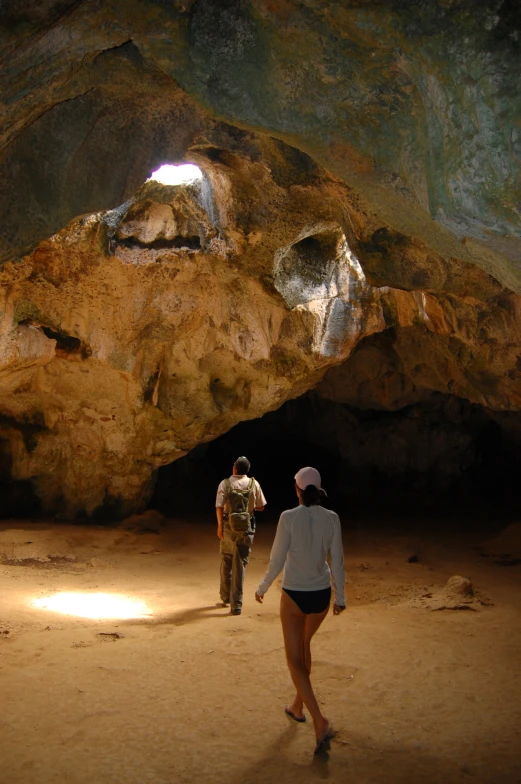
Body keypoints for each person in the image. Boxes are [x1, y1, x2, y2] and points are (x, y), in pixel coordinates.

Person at [255, 466, 345, 755]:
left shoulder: (288, 518)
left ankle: (319, 719)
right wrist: (340, 597)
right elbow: (338, 560)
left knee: (294, 660)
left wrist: (262, 586)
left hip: (294, 595)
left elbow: (278, 558)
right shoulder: (331, 518)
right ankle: (297, 705)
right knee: (305, 645)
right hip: (320, 595)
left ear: (297, 489)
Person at [216, 456, 266, 615]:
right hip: (246, 528)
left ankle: (225, 596)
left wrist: (219, 527)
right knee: (240, 563)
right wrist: (248, 510)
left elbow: (219, 506)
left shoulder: (225, 483)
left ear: (234, 468)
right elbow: (261, 507)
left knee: (226, 560)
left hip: (228, 526)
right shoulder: (254, 484)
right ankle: (236, 604)